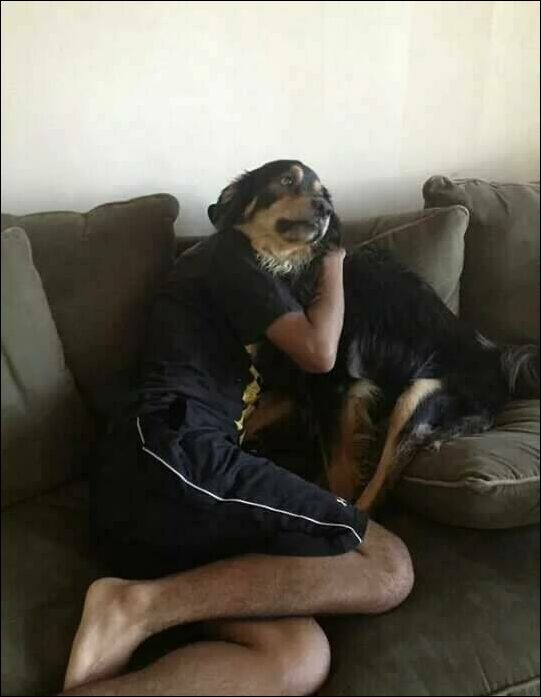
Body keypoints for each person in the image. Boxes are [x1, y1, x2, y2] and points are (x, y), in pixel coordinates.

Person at [62, 164, 414, 696]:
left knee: (298, 656)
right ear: (242, 204)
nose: (315, 202)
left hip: (160, 506)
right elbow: (319, 352)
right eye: (290, 186)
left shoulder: (256, 281)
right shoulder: (229, 253)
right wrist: (335, 259)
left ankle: (135, 607)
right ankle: (136, 608)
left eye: (323, 198)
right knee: (386, 564)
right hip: (169, 452)